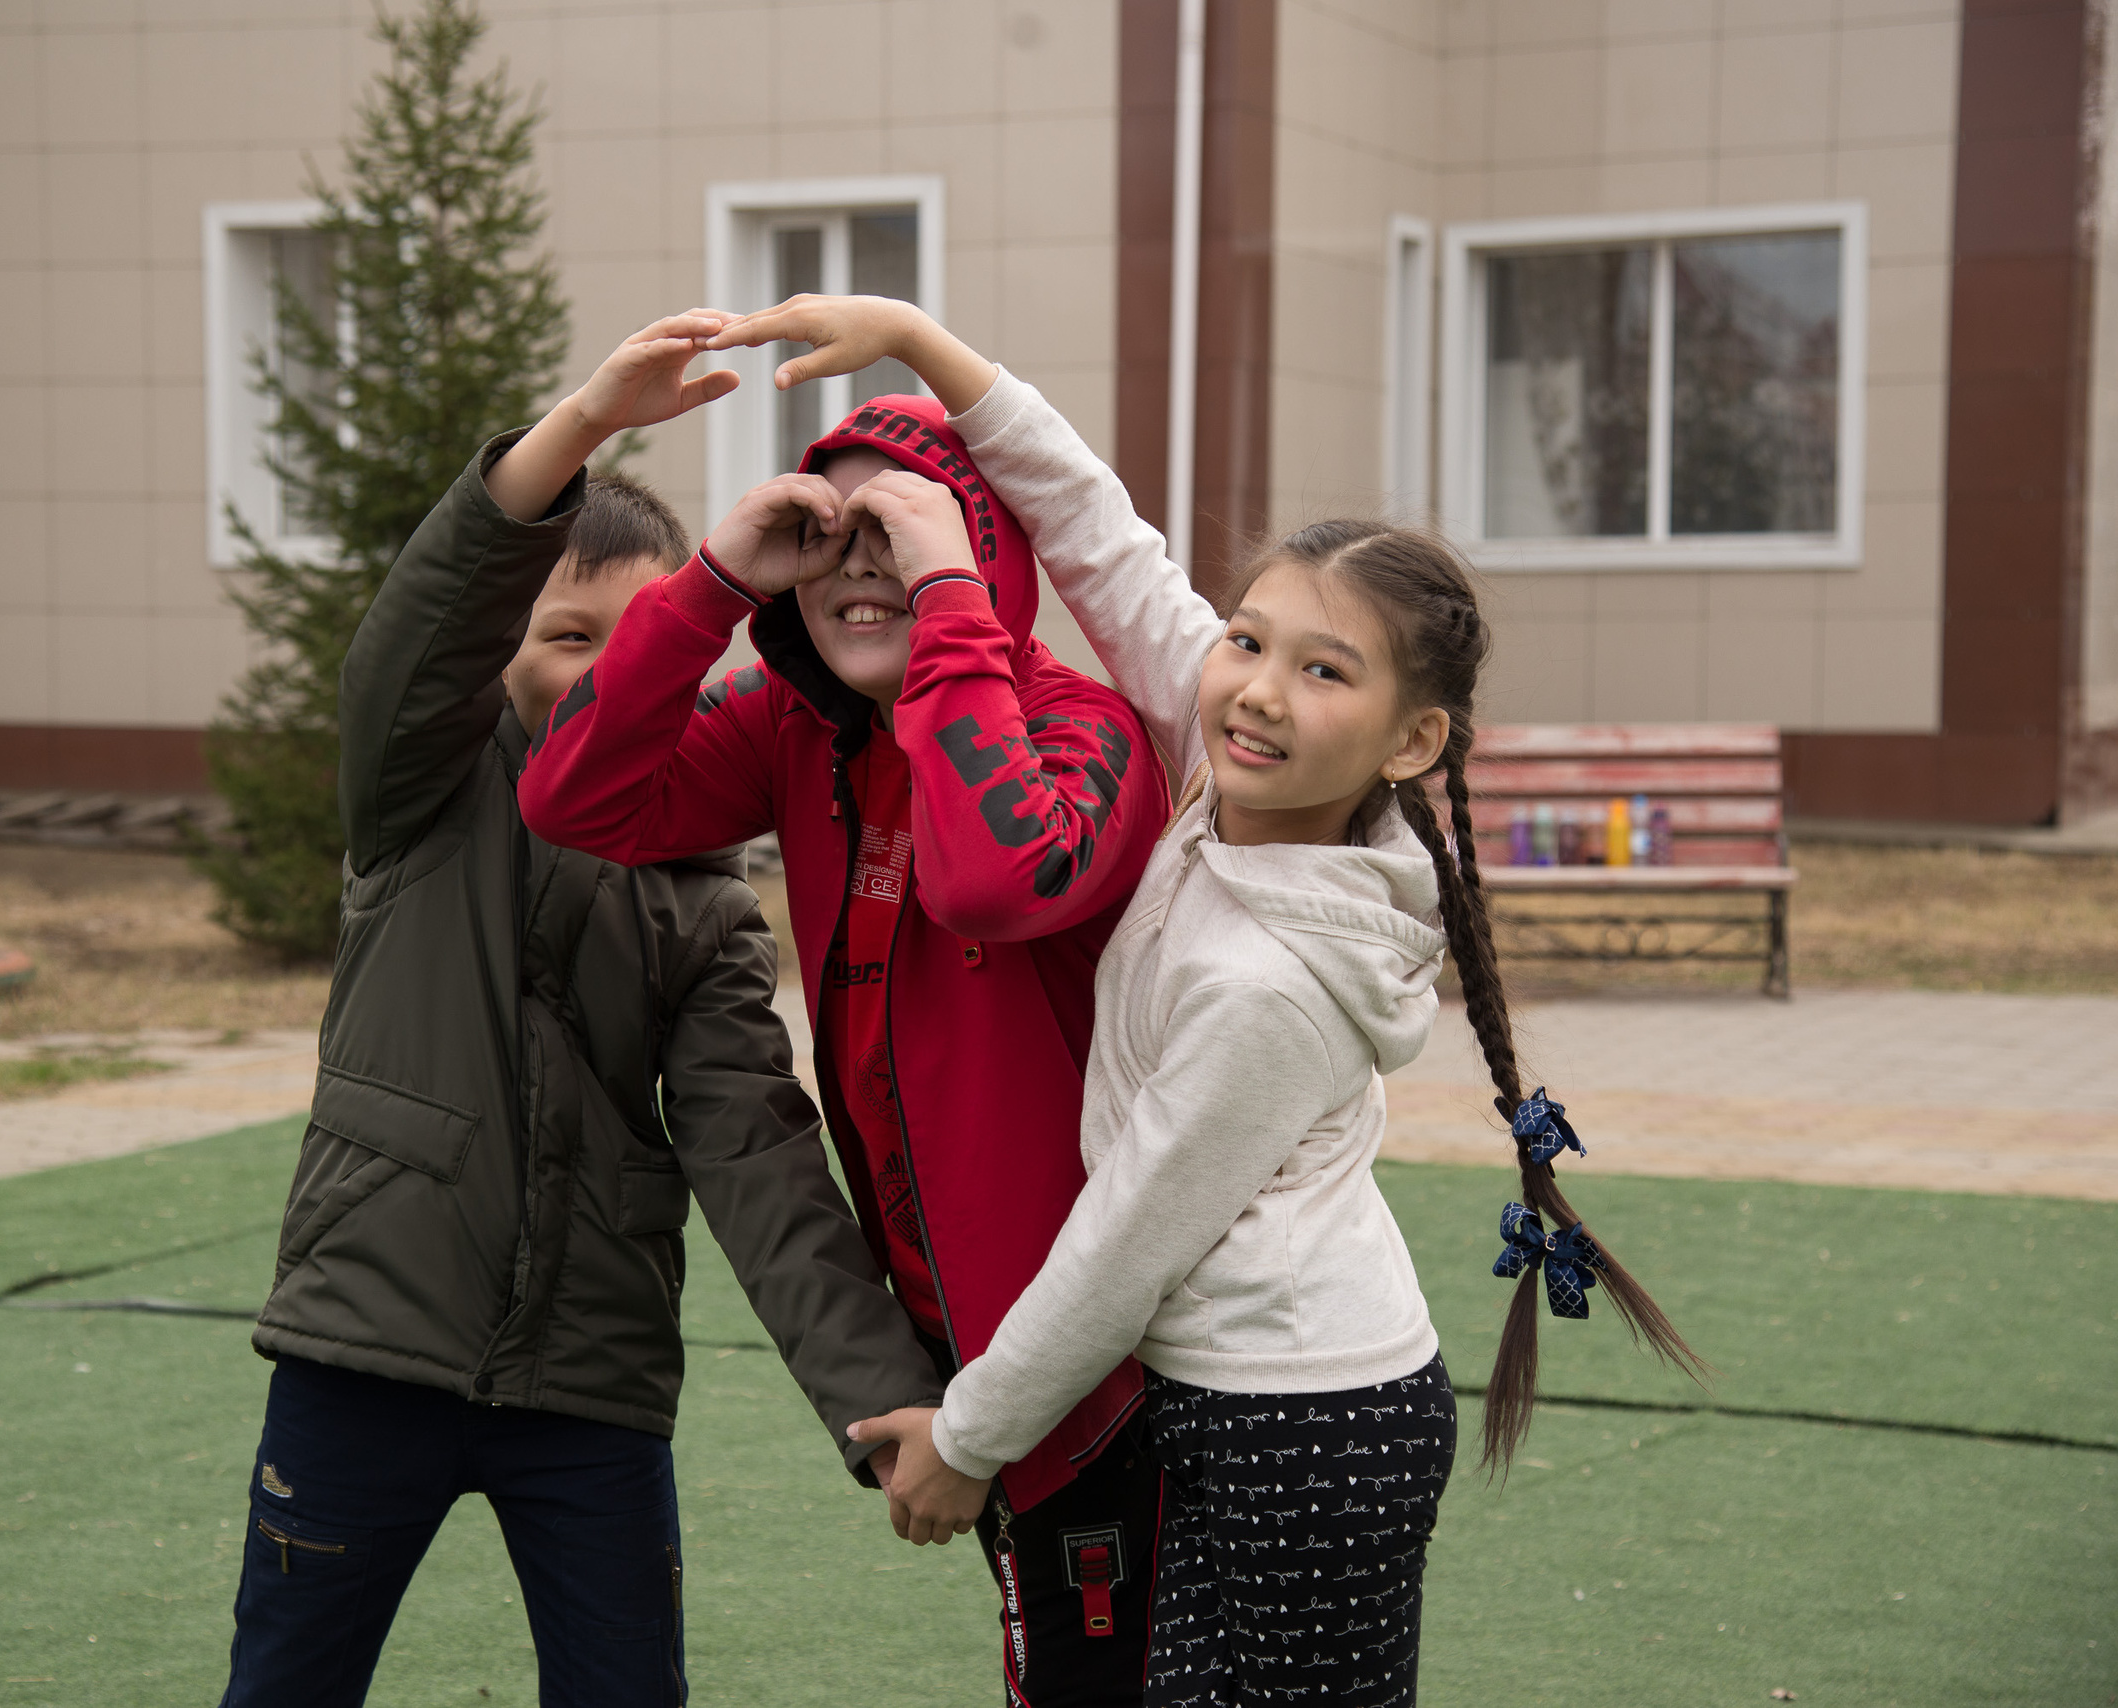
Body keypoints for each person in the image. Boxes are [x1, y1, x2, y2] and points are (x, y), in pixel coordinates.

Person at [706, 296, 1702, 1707]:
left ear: (1413, 739)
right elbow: (1101, 538)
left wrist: (974, 1438)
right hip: (1248, 1402)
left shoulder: (1271, 982)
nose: (1259, 690)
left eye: (1325, 671)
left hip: (1302, 1426)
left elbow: (1127, 1236)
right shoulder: (1230, 777)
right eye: (1246, 641)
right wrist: (929, 351)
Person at [222, 313, 944, 1708]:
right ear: (501, 644)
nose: (603, 669)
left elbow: (759, 1152)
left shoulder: (705, 892)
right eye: (563, 633)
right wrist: (583, 426)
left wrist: (881, 1392)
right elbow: (408, 648)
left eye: (643, 639)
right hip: (366, 1351)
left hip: (590, 1383)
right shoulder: (421, 787)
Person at [514, 362, 1175, 1706]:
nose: (859, 571)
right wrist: (713, 583)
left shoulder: (1084, 731)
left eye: (908, 535)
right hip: (970, 1363)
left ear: (983, 555)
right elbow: (575, 796)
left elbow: (993, 876)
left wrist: (948, 615)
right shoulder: (799, 732)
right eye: (834, 538)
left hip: (1112, 1378)